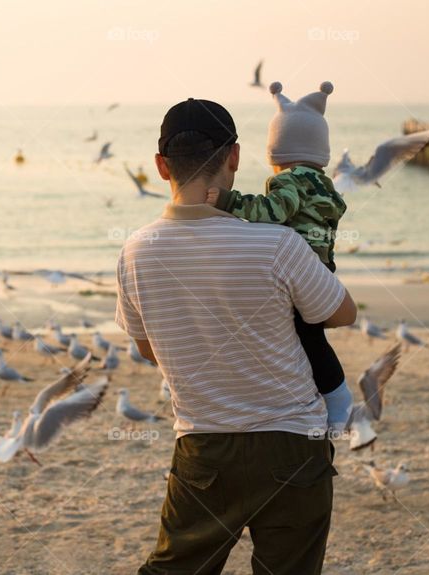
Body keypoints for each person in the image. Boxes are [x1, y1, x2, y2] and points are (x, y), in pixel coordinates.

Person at [116, 97, 357, 574]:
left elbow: (149, 350)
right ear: (235, 157)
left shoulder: (136, 252)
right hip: (293, 442)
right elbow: (342, 313)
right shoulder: (279, 244)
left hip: (204, 448)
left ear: (162, 167)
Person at [205, 81, 352, 434]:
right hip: (322, 271)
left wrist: (229, 201)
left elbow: (273, 212)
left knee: (301, 337)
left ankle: (338, 400)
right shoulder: (324, 185)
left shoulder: (288, 181)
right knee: (311, 338)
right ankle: (335, 397)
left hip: (298, 272)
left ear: (277, 152)